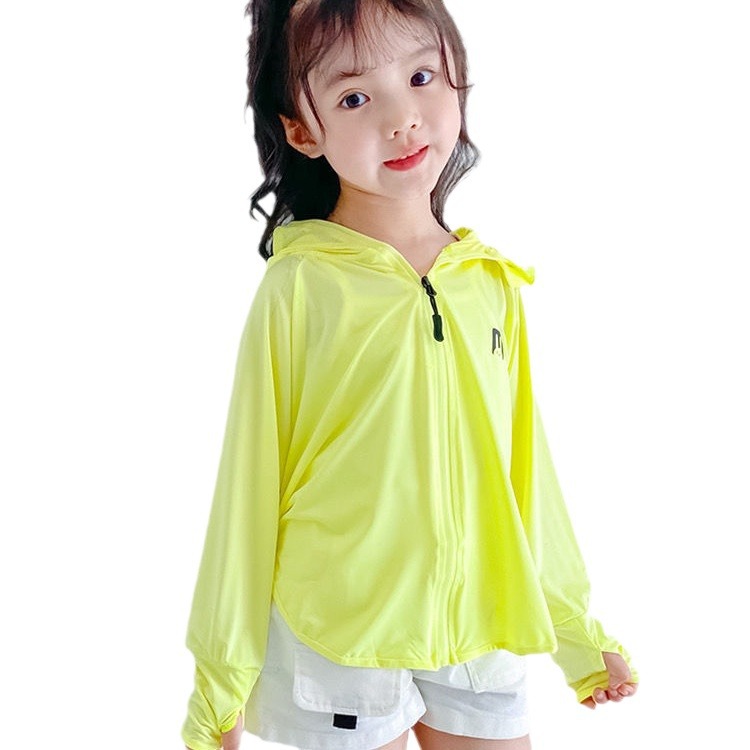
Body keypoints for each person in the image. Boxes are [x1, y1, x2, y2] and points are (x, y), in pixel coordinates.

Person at [181, 1, 639, 748]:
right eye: (354, 98)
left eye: (421, 77)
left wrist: (574, 631)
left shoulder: (489, 282)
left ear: (458, 79)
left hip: (482, 619)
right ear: (302, 131)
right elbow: (249, 483)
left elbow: (525, 471)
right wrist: (221, 679)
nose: (402, 119)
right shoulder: (301, 288)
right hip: (339, 629)